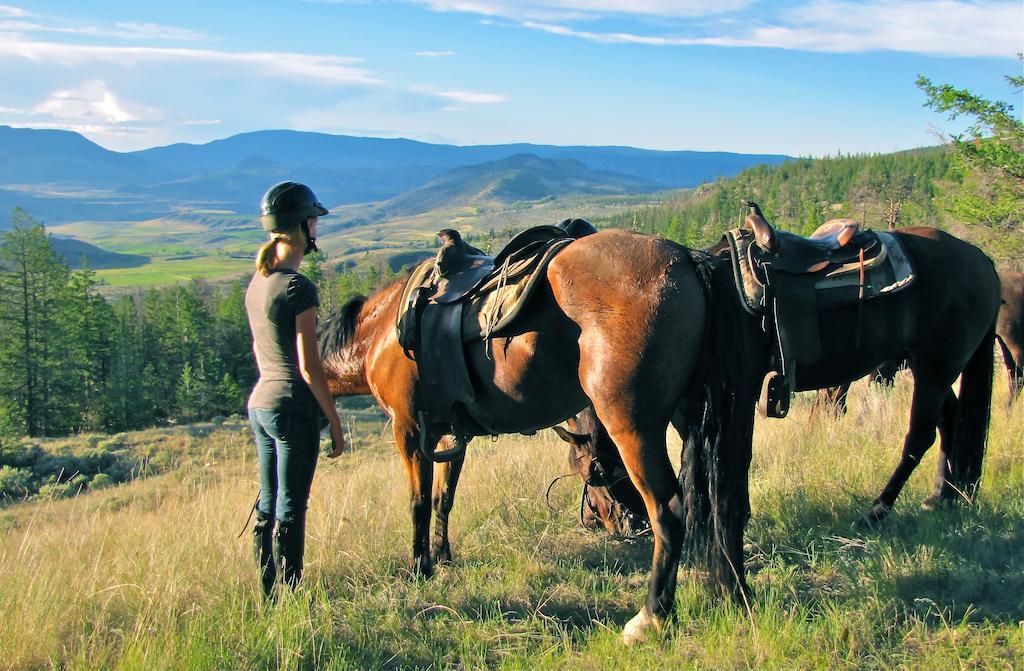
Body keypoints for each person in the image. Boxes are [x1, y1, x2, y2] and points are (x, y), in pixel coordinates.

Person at [246, 181, 346, 598]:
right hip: (293, 409)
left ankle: (268, 592)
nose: (317, 230)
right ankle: (291, 596)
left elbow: (260, 348)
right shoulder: (297, 287)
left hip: (262, 404)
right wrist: (336, 424)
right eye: (314, 222)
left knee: (268, 501)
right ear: (303, 226)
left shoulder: (259, 281)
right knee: (292, 506)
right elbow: (308, 366)